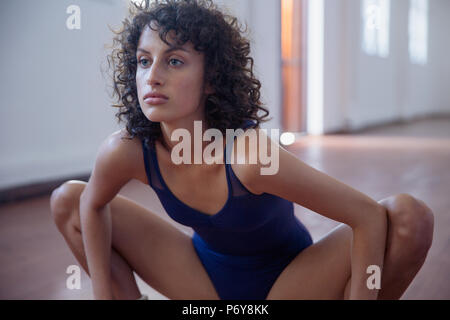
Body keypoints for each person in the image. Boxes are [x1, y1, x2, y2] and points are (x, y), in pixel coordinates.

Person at [50, 0, 434, 300]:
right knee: (68, 198)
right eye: (144, 61)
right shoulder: (127, 150)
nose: (152, 76)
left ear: (212, 79)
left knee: (407, 216)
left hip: (292, 283)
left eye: (175, 61)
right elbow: (91, 207)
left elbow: (367, 216)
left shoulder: (249, 157)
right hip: (201, 280)